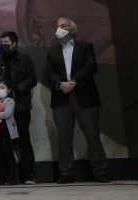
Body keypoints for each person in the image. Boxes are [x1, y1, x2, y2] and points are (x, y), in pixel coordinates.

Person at [45, 17, 110, 184]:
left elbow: (91, 67)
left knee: (92, 135)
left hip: (85, 96)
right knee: (64, 137)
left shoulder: (85, 47)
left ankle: (100, 172)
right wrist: (61, 85)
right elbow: (49, 72)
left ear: (72, 30)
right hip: (61, 99)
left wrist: (74, 82)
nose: (59, 29)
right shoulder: (52, 52)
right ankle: (66, 173)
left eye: (63, 26)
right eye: (58, 26)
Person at [0, 31, 38, 184]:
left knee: (23, 140)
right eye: (1, 42)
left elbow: (32, 79)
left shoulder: (25, 59)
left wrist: (16, 90)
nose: (3, 45)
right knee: (1, 143)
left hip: (20, 106)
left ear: (14, 44)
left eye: (6, 42)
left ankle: (29, 174)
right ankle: (2, 176)